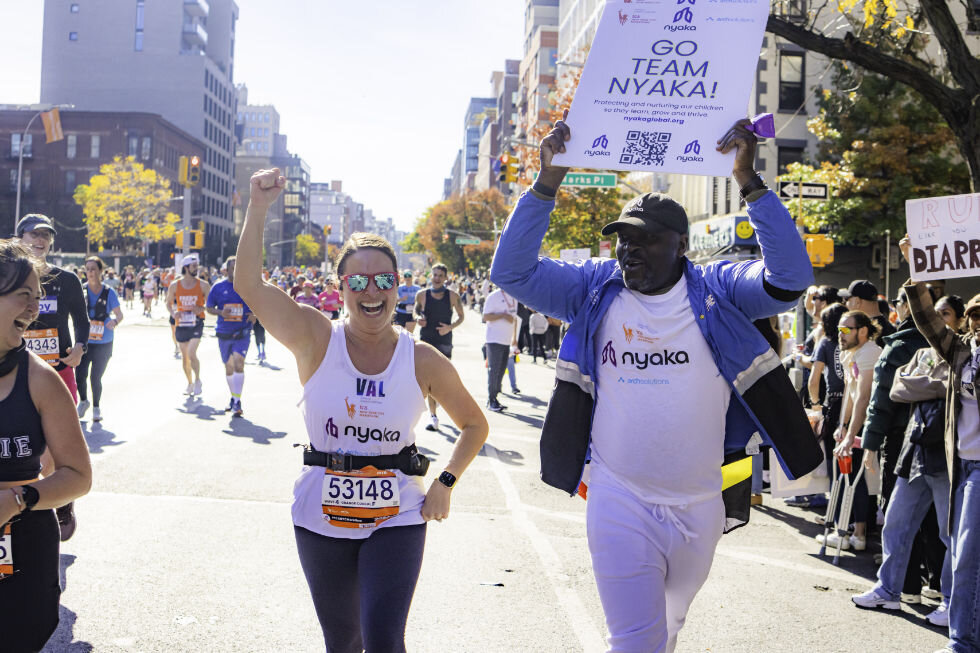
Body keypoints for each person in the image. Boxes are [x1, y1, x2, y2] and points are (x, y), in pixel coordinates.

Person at [490, 115, 822, 652]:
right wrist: (547, 181)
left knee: (666, 631)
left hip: (701, 505)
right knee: (635, 641)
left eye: (645, 239)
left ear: (681, 245)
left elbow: (790, 279)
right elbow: (511, 273)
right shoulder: (592, 288)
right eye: (623, 239)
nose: (630, 250)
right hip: (618, 496)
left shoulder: (719, 290)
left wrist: (749, 182)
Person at [235, 168, 488, 652]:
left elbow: (475, 424)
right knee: (344, 641)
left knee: (384, 638)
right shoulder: (314, 338)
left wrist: (446, 482)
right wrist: (258, 206)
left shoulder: (422, 359)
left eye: (384, 280)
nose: (372, 292)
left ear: (399, 285)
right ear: (341, 287)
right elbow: (248, 284)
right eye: (359, 282)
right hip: (321, 514)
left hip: (397, 515)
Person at [0, 239, 93, 652]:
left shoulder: (40, 380)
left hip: (25, 550)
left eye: (37, 298)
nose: (34, 308)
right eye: (24, 295)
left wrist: (16, 499)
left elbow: (78, 476)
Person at [899, 236, 980, 653]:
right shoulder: (961, 352)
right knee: (965, 553)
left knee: (966, 556)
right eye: (975, 316)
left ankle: (962, 641)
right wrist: (916, 271)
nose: (978, 323)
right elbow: (927, 321)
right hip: (960, 464)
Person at [18, 214, 89, 541]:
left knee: (49, 455)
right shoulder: (8, 278)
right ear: (19, 237)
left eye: (45, 235)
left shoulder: (67, 279)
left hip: (59, 372)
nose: (40, 240)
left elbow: (82, 322)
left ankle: (59, 499)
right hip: (17, 371)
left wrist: (80, 347)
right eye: (34, 234)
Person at [819, 311, 881, 552]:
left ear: (862, 331)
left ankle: (854, 533)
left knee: (856, 477)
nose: (840, 334)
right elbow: (850, 394)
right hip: (856, 421)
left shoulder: (870, 353)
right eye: (839, 329)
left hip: (869, 422)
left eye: (846, 330)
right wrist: (842, 426)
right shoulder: (848, 353)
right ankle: (852, 533)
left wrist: (851, 432)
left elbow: (864, 397)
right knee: (851, 475)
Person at [414, 263, 466, 431]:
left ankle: (436, 403)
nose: (436, 278)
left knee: (442, 379)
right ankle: (433, 416)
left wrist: (449, 327)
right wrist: (418, 319)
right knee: (429, 379)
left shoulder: (453, 296)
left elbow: (461, 316)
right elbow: (415, 312)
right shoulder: (422, 294)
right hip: (426, 340)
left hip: (444, 340)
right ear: (431, 276)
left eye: (440, 276)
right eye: (434, 275)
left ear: (445, 278)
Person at [75, 256, 124, 423]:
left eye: (93, 269)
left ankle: (96, 407)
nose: (90, 272)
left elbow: (119, 314)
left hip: (104, 342)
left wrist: (114, 322)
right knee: (80, 375)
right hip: (84, 340)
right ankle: (83, 401)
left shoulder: (109, 292)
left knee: (95, 377)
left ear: (100, 271)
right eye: (87, 269)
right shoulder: (81, 290)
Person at [206, 256, 253, 416]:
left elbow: (260, 305)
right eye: (233, 268)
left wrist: (255, 315)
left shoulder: (248, 287)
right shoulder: (218, 287)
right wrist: (221, 312)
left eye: (238, 268)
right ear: (227, 270)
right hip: (224, 332)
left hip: (242, 332)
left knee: (239, 362)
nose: (236, 271)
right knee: (229, 367)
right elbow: (209, 307)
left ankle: (237, 401)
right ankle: (233, 398)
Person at [165, 253, 210, 397]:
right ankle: (190, 383)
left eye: (197, 266)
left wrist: (201, 308)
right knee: (185, 356)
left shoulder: (203, 285)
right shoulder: (175, 285)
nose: (196, 268)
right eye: (193, 266)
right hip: (181, 323)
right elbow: (168, 303)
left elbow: (210, 304)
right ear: (186, 267)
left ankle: (197, 380)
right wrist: (173, 313)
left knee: (191, 352)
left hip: (197, 322)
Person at [482, 284, 518, 412]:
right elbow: (485, 317)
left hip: (506, 341)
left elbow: (514, 319)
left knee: (502, 370)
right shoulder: (494, 296)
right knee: (494, 370)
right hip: (494, 339)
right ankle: (491, 400)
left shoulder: (514, 297)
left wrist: (514, 338)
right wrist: (502, 315)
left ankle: (495, 398)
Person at [840, 280, 895, 346]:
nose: (845, 304)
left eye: (846, 299)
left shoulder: (865, 333)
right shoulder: (892, 329)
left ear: (857, 302)